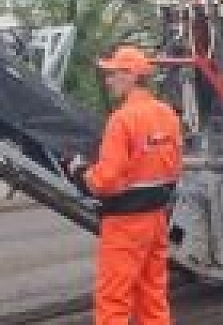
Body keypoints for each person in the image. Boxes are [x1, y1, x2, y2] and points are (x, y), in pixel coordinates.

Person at [66, 45, 182, 325]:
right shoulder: (168, 115)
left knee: (113, 299)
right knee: (152, 294)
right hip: (156, 219)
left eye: (112, 74)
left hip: (125, 223)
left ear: (130, 76)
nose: (108, 81)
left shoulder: (121, 120)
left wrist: (80, 172)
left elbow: (105, 180)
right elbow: (175, 166)